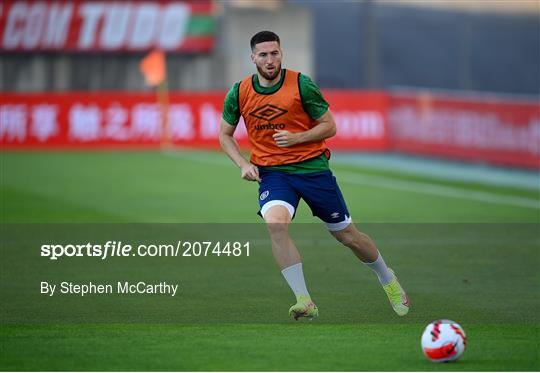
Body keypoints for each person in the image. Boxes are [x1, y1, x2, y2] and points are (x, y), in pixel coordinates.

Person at [219, 31, 409, 320]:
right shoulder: (240, 91)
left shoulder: (301, 84)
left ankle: (387, 278)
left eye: (275, 53)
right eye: (263, 54)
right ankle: (303, 299)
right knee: (276, 225)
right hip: (273, 174)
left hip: (312, 169)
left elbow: (330, 126)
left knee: (347, 236)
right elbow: (224, 135)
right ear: (252, 58)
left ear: (281, 54)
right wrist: (243, 165)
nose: (270, 60)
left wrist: (297, 138)